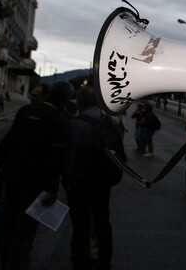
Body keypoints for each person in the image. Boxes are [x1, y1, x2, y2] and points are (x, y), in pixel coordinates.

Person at [0, 81, 72, 270]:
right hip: (35, 184)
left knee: (8, 223)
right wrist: (53, 188)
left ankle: (4, 259)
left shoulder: (25, 111)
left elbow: (9, 139)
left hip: (12, 178)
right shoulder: (59, 120)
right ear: (65, 100)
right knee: (25, 230)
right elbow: (55, 157)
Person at [63, 86, 126, 270]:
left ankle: (82, 261)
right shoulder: (109, 122)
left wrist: (66, 182)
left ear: (79, 102)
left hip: (80, 183)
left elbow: (70, 158)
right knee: (102, 222)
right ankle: (104, 262)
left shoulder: (76, 124)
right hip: (103, 182)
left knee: (81, 224)